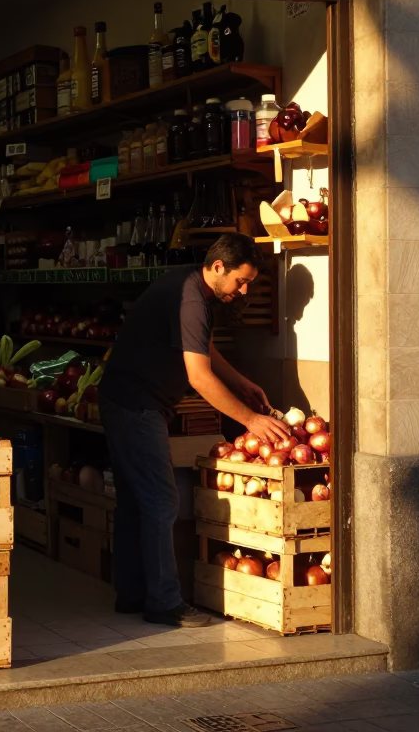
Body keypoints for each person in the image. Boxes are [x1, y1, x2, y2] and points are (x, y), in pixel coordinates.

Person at [98, 232, 289, 627]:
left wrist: (240, 382)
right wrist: (252, 420)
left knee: (136, 501)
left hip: (125, 400)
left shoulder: (192, 286)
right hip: (137, 406)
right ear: (218, 267)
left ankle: (133, 595)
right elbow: (199, 377)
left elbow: (202, 348)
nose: (244, 289)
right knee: (161, 501)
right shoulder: (191, 298)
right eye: (241, 280)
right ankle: (165, 603)